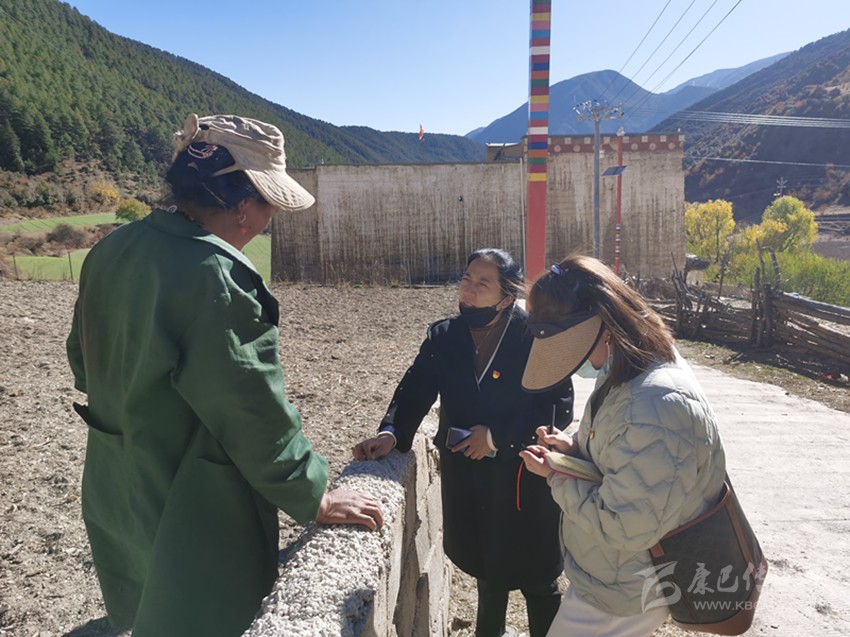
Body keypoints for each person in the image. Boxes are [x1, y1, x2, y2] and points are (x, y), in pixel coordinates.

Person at [66, 113, 383, 637]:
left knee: (146, 611)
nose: (268, 221)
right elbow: (250, 409)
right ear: (242, 206)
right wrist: (315, 494)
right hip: (189, 501)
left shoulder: (112, 249)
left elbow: (82, 360)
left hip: (117, 482)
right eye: (270, 205)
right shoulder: (215, 274)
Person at [353, 248, 574, 637]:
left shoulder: (534, 337)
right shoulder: (445, 336)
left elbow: (558, 406)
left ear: (506, 296)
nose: (468, 290)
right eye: (467, 279)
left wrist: (496, 437)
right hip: (470, 476)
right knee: (487, 573)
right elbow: (416, 389)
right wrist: (391, 433)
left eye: (482, 283)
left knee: (539, 579)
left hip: (523, 475)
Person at [518, 255, 727, 637]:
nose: (577, 362)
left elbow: (624, 525)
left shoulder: (654, 405)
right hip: (617, 574)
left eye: (572, 347)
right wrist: (574, 450)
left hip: (626, 586)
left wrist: (556, 476)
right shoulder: (628, 366)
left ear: (604, 328)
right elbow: (624, 454)